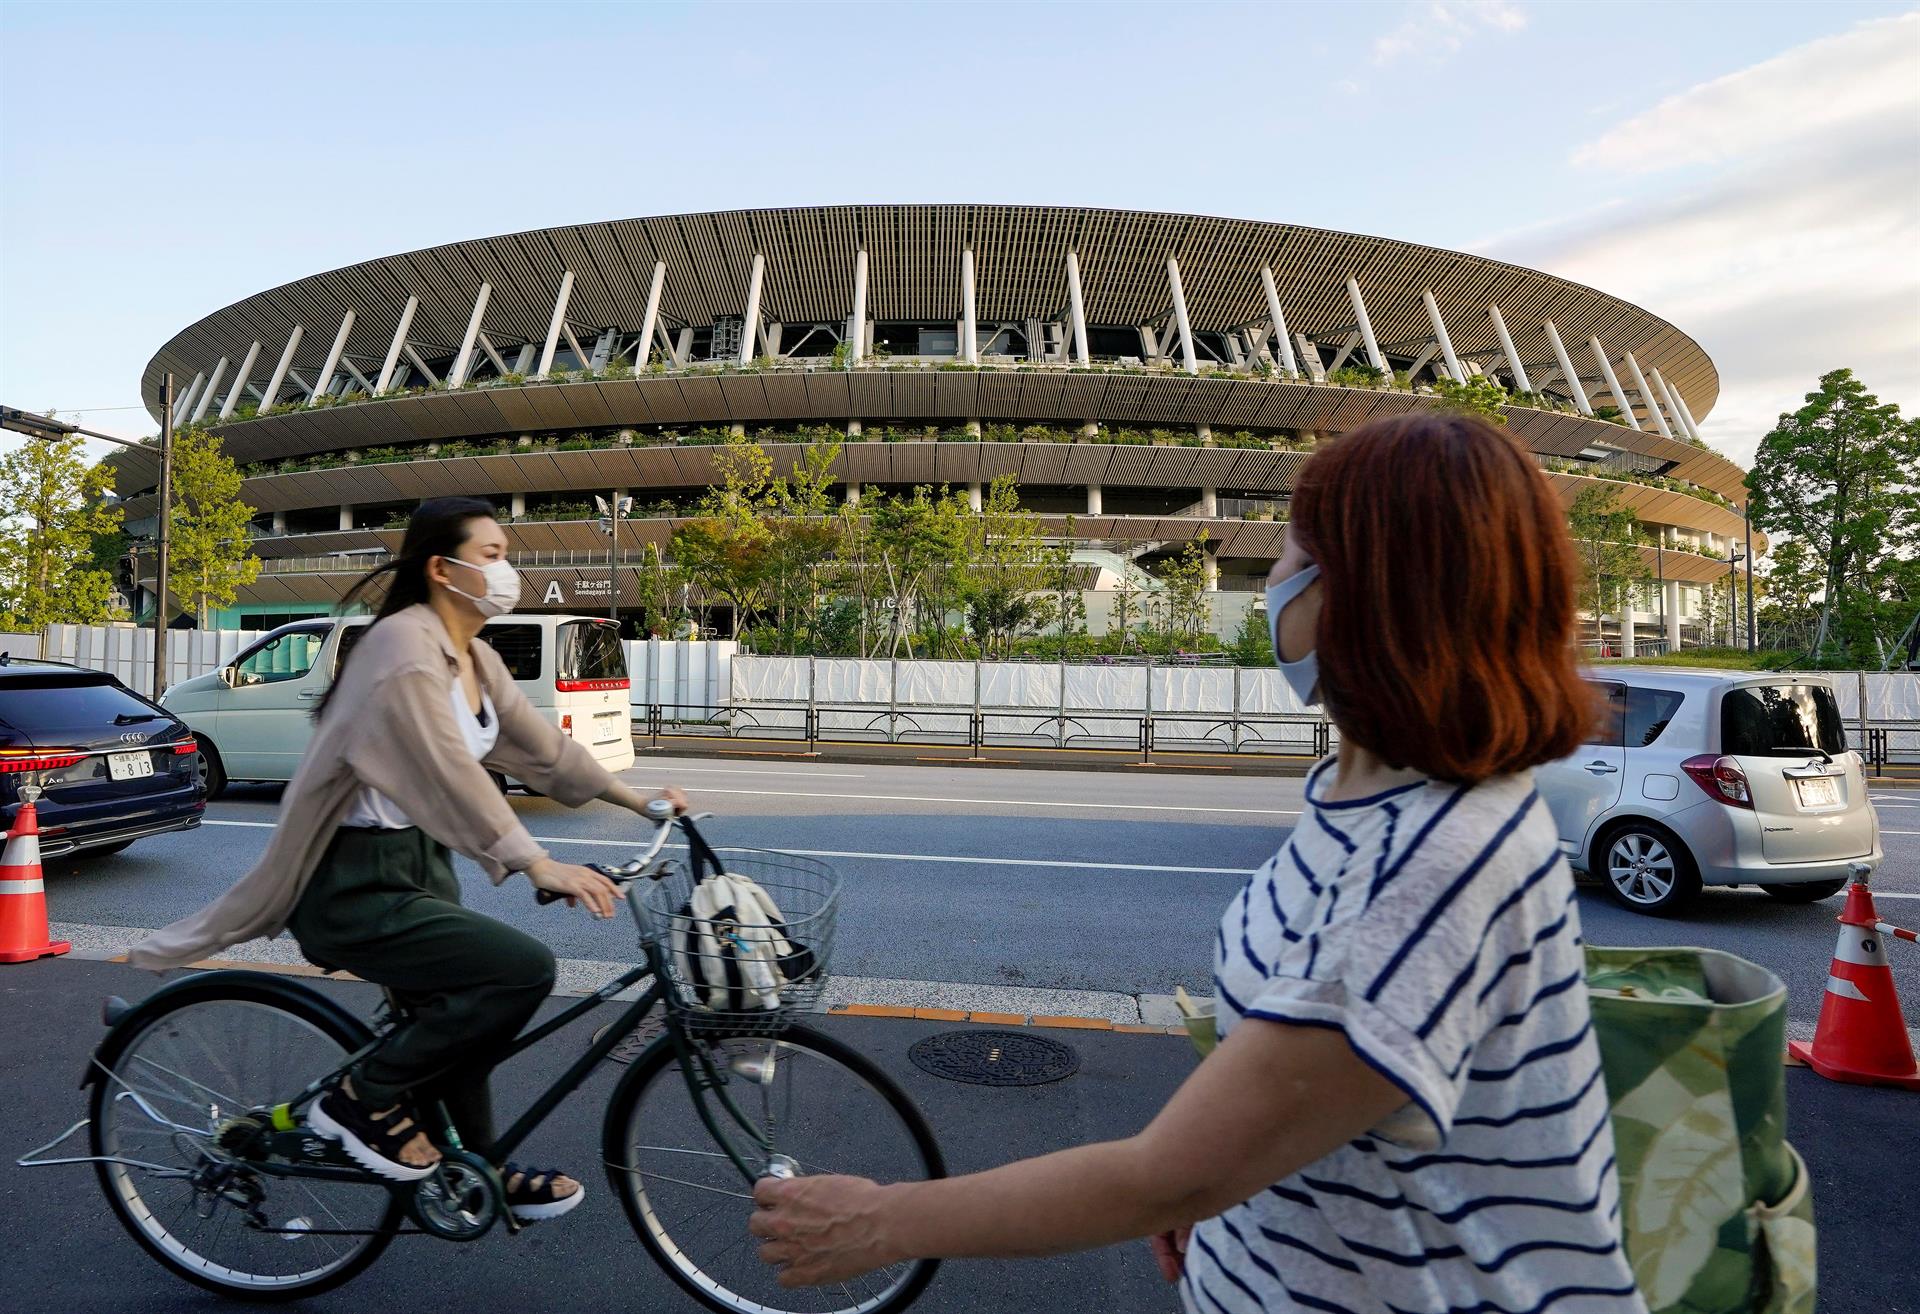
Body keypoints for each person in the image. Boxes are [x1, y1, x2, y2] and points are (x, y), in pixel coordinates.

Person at [750, 414, 1647, 1313]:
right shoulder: (1359, 784)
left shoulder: (1430, 862)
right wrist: (1236, 1176)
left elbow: (1166, 1176)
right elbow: (1276, 1090)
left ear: (1367, 596)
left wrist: (882, 1221)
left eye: (1292, 561)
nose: (1275, 586)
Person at [129, 497, 685, 1223]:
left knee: (467, 1022)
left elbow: (541, 750)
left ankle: (475, 1170)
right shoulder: (399, 647)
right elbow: (445, 764)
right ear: (441, 568)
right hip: (352, 882)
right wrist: (532, 860)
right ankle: (357, 1100)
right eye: (489, 555)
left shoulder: (475, 657)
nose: (505, 569)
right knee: (519, 972)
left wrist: (640, 803)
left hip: (418, 868)